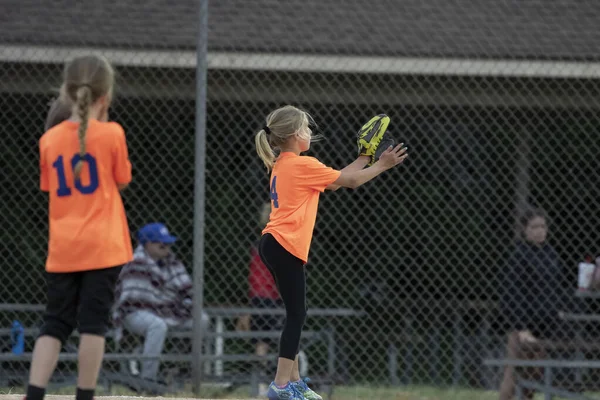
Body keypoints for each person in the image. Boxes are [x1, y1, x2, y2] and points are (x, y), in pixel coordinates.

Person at [254, 105, 408, 400]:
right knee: (297, 314)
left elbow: (337, 181)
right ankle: (281, 386)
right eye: (307, 129)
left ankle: (293, 383)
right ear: (297, 134)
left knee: (294, 313)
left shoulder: (285, 164)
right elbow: (350, 182)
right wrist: (382, 165)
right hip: (285, 244)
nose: (310, 133)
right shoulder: (303, 164)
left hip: (274, 243)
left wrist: (364, 157)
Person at [27, 55, 133, 400]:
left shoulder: (49, 140)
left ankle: (34, 391)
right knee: (93, 323)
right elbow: (122, 179)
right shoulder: (112, 133)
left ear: (66, 92)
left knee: (54, 322)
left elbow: (50, 187)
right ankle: (84, 394)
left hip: (64, 247)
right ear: (105, 96)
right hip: (103, 246)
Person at [112, 222, 210, 384]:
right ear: (148, 244)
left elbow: (186, 291)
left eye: (168, 243)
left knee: (202, 319)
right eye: (162, 244)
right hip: (135, 312)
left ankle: (181, 367)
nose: (167, 247)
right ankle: (148, 379)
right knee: (156, 326)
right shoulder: (136, 261)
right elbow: (132, 297)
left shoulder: (172, 262)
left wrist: (182, 304)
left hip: (169, 311)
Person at [498, 207, 572, 400]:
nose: (540, 231)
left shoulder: (551, 255)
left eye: (543, 226)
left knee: (535, 375)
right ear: (525, 230)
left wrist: (559, 311)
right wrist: (521, 328)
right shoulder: (519, 256)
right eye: (534, 227)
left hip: (546, 326)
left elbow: (557, 288)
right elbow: (511, 294)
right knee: (513, 375)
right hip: (524, 327)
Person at [237, 203, 284, 396]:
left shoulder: (265, 241)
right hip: (267, 297)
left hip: (264, 296)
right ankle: (265, 382)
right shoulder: (274, 242)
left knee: (265, 342)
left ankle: (269, 381)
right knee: (264, 342)